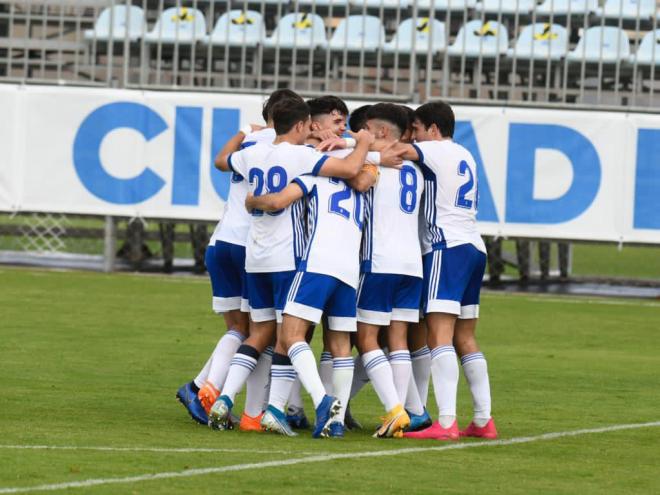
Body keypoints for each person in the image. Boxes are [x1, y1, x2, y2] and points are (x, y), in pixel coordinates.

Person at [208, 99, 382, 434]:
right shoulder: (304, 156)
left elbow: (220, 161)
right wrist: (362, 144)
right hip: (289, 258)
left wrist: (245, 132)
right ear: (303, 126)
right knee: (291, 336)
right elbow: (349, 172)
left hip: (255, 257)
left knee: (262, 334)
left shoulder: (251, 153)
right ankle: (316, 403)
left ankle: (225, 399)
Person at [175, 89, 302, 429]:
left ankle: (204, 389)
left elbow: (219, 161)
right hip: (252, 246)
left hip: (222, 243)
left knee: (241, 329)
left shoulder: (249, 144)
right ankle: (208, 392)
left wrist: (245, 131)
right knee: (260, 331)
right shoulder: (288, 150)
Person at [245, 129, 376, 438]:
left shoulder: (312, 177)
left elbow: (277, 202)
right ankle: (333, 418)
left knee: (290, 336)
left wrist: (253, 200)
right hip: (348, 271)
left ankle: (321, 403)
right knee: (340, 346)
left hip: (317, 265)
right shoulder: (364, 183)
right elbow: (364, 171)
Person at [382, 101, 496, 441]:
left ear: (433, 129)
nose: (412, 137)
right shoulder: (465, 154)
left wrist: (348, 140)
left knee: (438, 336)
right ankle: (483, 419)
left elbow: (394, 149)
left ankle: (446, 422)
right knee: (465, 337)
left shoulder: (434, 151)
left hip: (446, 248)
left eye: (416, 129)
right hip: (474, 246)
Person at [355, 103, 429, 438]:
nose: (359, 136)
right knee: (398, 341)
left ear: (382, 133)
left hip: (379, 261)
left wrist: (366, 154)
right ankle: (401, 417)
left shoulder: (374, 167)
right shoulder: (416, 171)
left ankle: (395, 411)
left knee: (366, 337)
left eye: (365, 129)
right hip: (411, 265)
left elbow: (355, 174)